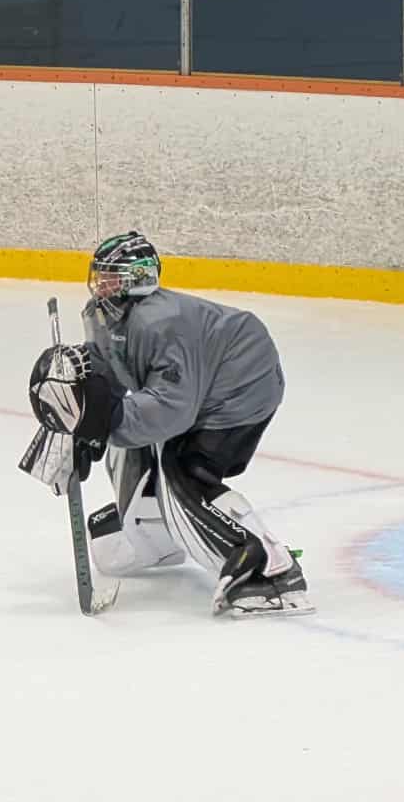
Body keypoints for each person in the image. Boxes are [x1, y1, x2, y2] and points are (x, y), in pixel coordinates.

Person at [31, 231, 313, 617]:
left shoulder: (160, 323)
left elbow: (170, 411)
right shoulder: (106, 312)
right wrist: (80, 409)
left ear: (137, 278)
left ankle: (268, 571)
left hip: (242, 385)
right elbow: (110, 370)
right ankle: (154, 535)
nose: (101, 284)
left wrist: (100, 422)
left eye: (111, 276)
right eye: (100, 275)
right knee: (131, 447)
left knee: (185, 469)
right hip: (206, 383)